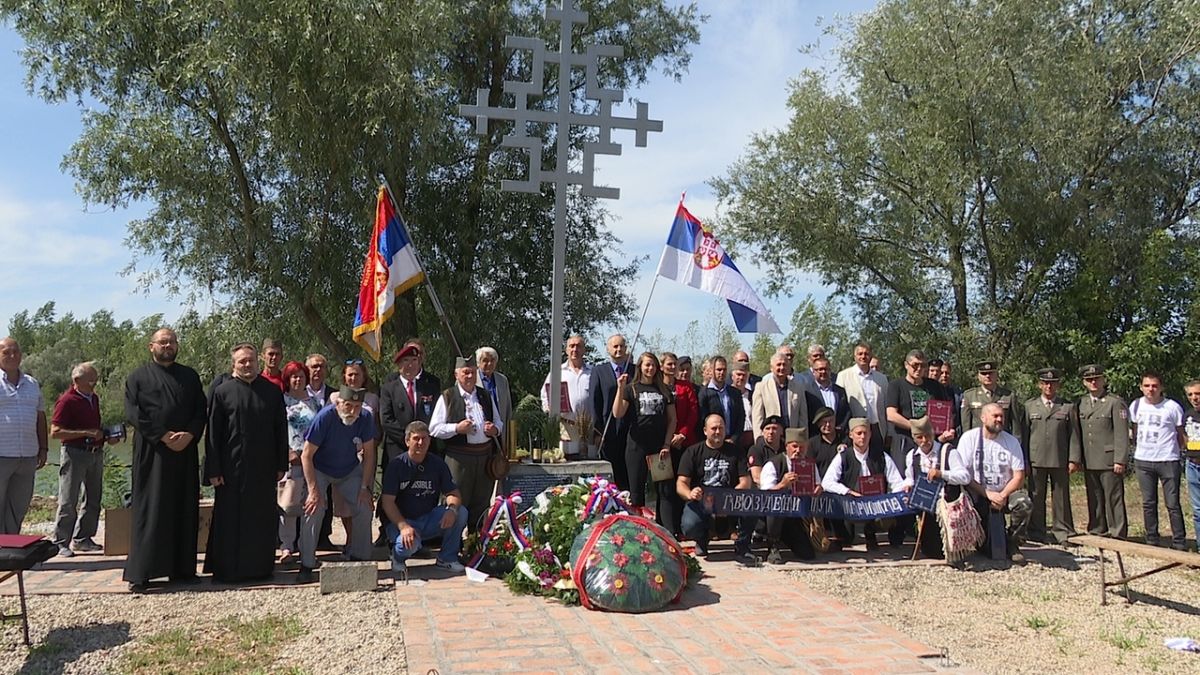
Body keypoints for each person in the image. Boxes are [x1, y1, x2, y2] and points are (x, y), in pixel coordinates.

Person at [122, 328, 206, 591]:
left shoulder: (189, 376)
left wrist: (190, 434)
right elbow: (133, 413)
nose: (167, 346)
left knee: (184, 507)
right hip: (153, 451)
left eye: (171, 342)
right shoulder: (137, 377)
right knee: (151, 508)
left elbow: (200, 410)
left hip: (185, 450)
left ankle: (182, 570)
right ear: (151, 346)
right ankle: (142, 572)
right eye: (162, 342)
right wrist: (163, 435)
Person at [204, 342, 289, 583]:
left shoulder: (272, 392)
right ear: (234, 364)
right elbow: (213, 435)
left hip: (263, 468)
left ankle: (260, 568)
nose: (247, 365)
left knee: (260, 518)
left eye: (251, 360)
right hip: (230, 470)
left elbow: (280, 430)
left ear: (257, 361)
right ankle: (228, 570)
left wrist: (280, 464)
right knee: (230, 519)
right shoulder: (223, 392)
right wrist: (214, 469)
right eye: (242, 361)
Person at [297, 386, 378, 583]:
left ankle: (360, 559)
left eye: (357, 406)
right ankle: (307, 563)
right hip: (320, 469)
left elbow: (370, 454)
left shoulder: (366, 418)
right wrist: (313, 490)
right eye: (348, 405)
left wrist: (365, 488)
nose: (352, 411)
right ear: (339, 403)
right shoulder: (325, 417)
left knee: (364, 507)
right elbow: (306, 455)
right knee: (313, 509)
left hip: (349, 470)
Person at [948, 403, 1031, 563]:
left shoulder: (1011, 442)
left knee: (1024, 503)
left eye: (1001, 416)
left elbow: (1019, 476)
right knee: (987, 545)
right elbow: (963, 475)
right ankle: (970, 541)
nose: (999, 419)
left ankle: (1013, 543)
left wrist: (1002, 495)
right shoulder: (969, 438)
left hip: (1005, 492)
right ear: (983, 417)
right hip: (977, 493)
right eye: (995, 416)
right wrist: (987, 494)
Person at [381, 421, 467, 575]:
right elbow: (387, 502)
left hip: (428, 518)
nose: (421, 443)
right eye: (416, 438)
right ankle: (397, 558)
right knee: (409, 544)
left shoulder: (437, 464)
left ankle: (446, 559)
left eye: (425, 438)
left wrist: (452, 509)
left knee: (461, 512)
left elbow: (453, 493)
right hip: (402, 521)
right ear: (407, 441)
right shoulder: (396, 465)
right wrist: (403, 526)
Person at [430, 356, 503, 533]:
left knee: (481, 503)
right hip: (459, 458)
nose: (469, 376)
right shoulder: (447, 396)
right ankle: (453, 549)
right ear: (456, 375)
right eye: (465, 373)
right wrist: (457, 428)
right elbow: (434, 429)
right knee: (457, 502)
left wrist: (494, 430)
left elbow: (499, 423)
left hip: (484, 457)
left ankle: (476, 546)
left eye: (472, 372)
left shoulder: (485, 395)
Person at [378, 343, 441, 545]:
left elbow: (436, 415)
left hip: (425, 450)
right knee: (394, 493)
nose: (411, 365)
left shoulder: (431, 385)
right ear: (399, 365)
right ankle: (390, 532)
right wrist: (409, 442)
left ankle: (424, 535)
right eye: (406, 361)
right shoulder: (389, 387)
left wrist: (422, 442)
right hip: (397, 449)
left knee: (422, 492)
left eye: (414, 360)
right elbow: (386, 420)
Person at [50, 361, 115, 557]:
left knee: (94, 497)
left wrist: (106, 436)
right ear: (77, 380)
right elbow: (55, 432)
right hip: (74, 453)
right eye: (91, 379)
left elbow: (94, 428)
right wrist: (85, 432)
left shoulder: (93, 398)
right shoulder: (66, 401)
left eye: (95, 378)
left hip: (95, 453)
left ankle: (83, 538)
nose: (95, 382)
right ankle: (60, 542)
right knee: (69, 498)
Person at [676, 414, 757, 564]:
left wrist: (727, 500)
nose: (718, 431)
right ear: (705, 430)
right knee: (689, 525)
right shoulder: (693, 452)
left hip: (730, 499)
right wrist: (690, 493)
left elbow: (745, 482)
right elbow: (681, 483)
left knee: (751, 503)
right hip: (701, 501)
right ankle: (702, 539)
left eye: (721, 428)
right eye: (714, 428)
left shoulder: (736, 452)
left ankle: (743, 546)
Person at [820, 418, 906, 549]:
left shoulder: (881, 456)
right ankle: (844, 535)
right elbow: (826, 482)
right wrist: (848, 492)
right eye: (859, 433)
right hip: (851, 505)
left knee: (896, 507)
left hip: (876, 505)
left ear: (871, 434)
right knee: (846, 537)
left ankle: (872, 532)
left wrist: (891, 499)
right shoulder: (843, 456)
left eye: (866, 433)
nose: (863, 437)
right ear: (851, 435)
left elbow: (897, 483)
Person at [1021, 367, 1080, 545]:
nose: (1049, 387)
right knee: (1036, 496)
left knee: (1061, 497)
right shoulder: (1029, 406)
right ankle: (1036, 531)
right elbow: (1024, 435)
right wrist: (1024, 461)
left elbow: (1074, 435)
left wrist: (1074, 458)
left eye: (1052, 383)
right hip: (1035, 458)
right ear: (1039, 385)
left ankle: (1062, 531)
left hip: (1059, 458)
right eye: (1045, 383)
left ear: (1058, 385)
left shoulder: (1067, 407)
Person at [1129, 371, 1186, 549]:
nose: (1150, 389)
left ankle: (1179, 542)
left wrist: (1182, 453)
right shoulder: (1136, 406)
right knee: (1148, 502)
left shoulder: (1172, 407)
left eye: (1154, 386)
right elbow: (1134, 430)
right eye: (1147, 386)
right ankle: (1152, 539)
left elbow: (1181, 434)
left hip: (1168, 459)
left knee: (1172, 503)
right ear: (1141, 387)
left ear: (1161, 387)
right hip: (1144, 460)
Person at [612, 352, 676, 510]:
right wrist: (620, 388)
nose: (650, 368)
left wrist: (667, 444)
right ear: (640, 366)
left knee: (664, 491)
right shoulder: (630, 389)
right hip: (636, 447)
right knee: (636, 492)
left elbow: (672, 419)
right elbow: (617, 413)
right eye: (647, 364)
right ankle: (639, 531)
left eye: (653, 365)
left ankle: (665, 528)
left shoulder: (664, 390)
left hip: (659, 447)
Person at [1075, 364, 1130, 539]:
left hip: (1109, 458)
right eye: (1089, 380)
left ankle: (1118, 531)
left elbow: (1121, 433)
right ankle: (1097, 527)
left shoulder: (1114, 402)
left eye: (1096, 379)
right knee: (1094, 496)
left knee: (1113, 497)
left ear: (1103, 380)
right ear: (1084, 382)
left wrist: (1120, 459)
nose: (1093, 382)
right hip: (1090, 458)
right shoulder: (1082, 402)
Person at [0, 337, 47, 535]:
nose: (12, 355)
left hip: (27, 456)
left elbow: (40, 417)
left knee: (18, 508)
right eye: (6, 352)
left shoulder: (32, 383)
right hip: (2, 454)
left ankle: (10, 552)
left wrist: (43, 448)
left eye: (16, 351)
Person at [279, 361, 320, 563]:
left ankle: (306, 549)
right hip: (290, 459)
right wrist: (286, 452)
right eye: (293, 376)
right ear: (287, 380)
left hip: (312, 460)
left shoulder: (314, 403)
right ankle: (286, 546)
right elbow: (275, 431)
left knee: (308, 506)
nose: (297, 380)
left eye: (301, 376)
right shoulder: (281, 401)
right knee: (288, 505)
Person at [758, 428, 817, 563]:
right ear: (787, 446)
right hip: (773, 516)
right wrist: (782, 484)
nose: (798, 451)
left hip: (795, 516)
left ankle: (787, 538)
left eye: (802, 447)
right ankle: (772, 545)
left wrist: (818, 488)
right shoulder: (773, 464)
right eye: (794, 446)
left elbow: (817, 484)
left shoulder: (809, 464)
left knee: (808, 554)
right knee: (776, 503)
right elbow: (764, 495)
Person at [885, 350, 954, 465]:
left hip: (931, 442)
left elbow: (946, 412)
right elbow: (891, 415)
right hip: (905, 440)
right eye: (915, 365)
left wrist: (947, 429)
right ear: (906, 365)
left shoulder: (934, 386)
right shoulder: (896, 385)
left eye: (923, 365)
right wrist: (917, 428)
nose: (919, 368)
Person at [902, 417, 950, 559]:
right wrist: (908, 485)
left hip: (944, 500)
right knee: (930, 550)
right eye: (919, 437)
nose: (924, 440)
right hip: (924, 502)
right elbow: (909, 477)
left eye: (927, 436)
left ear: (933, 434)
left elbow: (963, 476)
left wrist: (942, 474)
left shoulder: (946, 451)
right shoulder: (912, 455)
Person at [660, 352, 697, 536]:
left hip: (683, 443)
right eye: (669, 364)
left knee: (681, 485)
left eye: (675, 364)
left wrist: (682, 434)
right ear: (662, 366)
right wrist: (667, 438)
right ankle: (664, 527)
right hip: (662, 445)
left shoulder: (686, 387)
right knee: (664, 487)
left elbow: (693, 413)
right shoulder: (656, 387)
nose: (673, 368)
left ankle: (681, 527)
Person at [589, 334, 632, 491]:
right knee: (612, 475)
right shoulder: (599, 371)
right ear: (608, 349)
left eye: (621, 346)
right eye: (615, 346)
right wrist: (597, 432)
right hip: (608, 432)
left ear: (626, 348)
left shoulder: (634, 371)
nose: (618, 349)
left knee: (629, 473)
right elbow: (594, 402)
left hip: (630, 432)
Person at [540, 335, 593, 459]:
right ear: (566, 350)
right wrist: (549, 409)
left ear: (584, 350)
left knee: (589, 462)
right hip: (565, 427)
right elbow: (544, 395)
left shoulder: (592, 372)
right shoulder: (557, 372)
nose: (575, 349)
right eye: (571, 346)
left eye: (578, 346)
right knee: (567, 461)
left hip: (589, 428)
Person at [836, 342, 889, 448]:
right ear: (854, 356)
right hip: (855, 429)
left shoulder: (881, 378)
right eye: (860, 354)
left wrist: (889, 432)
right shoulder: (843, 376)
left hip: (877, 428)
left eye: (866, 354)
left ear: (871, 356)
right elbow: (840, 407)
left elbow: (887, 407)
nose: (863, 356)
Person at [751, 353, 811, 435]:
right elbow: (757, 417)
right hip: (771, 438)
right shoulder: (761, 387)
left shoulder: (798, 387)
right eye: (778, 365)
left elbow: (803, 417)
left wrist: (803, 437)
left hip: (792, 437)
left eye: (784, 365)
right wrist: (759, 439)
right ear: (771, 368)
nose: (782, 367)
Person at [960, 360, 1021, 435]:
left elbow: (1016, 426)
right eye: (984, 373)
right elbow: (966, 425)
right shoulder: (969, 396)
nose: (987, 376)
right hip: (979, 441)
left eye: (991, 373)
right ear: (978, 376)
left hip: (1002, 441)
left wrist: (1016, 443)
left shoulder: (1008, 396)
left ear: (997, 374)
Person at [698, 356, 744, 448]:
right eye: (719, 370)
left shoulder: (735, 393)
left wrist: (734, 438)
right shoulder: (703, 393)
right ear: (711, 370)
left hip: (733, 443)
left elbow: (741, 417)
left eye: (724, 369)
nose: (722, 373)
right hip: (713, 444)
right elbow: (702, 420)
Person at [475, 346, 514, 442]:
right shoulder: (470, 378)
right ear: (478, 363)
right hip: (479, 434)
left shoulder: (502, 380)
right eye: (485, 360)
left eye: (492, 360)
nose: (489, 363)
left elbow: (508, 409)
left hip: (499, 433)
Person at [808, 357, 849, 435]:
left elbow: (846, 413)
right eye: (820, 369)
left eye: (826, 369)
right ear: (813, 372)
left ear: (830, 371)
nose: (823, 371)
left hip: (837, 436)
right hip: (816, 436)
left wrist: (840, 428)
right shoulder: (807, 391)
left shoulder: (840, 391)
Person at [1183, 380, 1200, 550]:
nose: (1195, 398)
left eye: (1198, 393)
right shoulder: (1187, 415)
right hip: (1192, 465)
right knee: (1197, 511)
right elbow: (1185, 439)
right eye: (1191, 395)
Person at [746, 415, 785, 486]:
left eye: (774, 428)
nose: (770, 432)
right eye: (767, 429)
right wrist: (778, 486)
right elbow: (757, 477)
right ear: (763, 432)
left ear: (781, 431)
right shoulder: (755, 450)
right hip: (763, 492)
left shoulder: (786, 448)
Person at [729, 361, 755, 448]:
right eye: (738, 374)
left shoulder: (753, 395)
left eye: (744, 375)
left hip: (751, 438)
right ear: (732, 376)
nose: (741, 377)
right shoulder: (727, 394)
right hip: (733, 438)